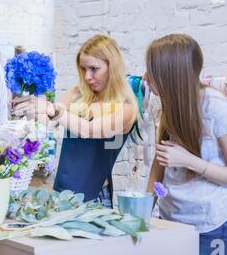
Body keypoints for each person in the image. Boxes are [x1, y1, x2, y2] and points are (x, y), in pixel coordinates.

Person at [144, 34, 227, 255]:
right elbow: (159, 165)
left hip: (211, 229)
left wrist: (190, 161)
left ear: (172, 74)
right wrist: (143, 212)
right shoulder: (170, 103)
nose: (145, 78)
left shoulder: (217, 108)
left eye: (151, 71)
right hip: (170, 223)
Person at [12, 35, 139, 207]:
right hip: (60, 193)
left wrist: (52, 109)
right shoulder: (76, 94)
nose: (87, 76)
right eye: (83, 69)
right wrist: (28, 106)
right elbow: (48, 122)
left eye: (94, 69)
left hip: (94, 200)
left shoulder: (126, 109)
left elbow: (89, 130)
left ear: (112, 67)